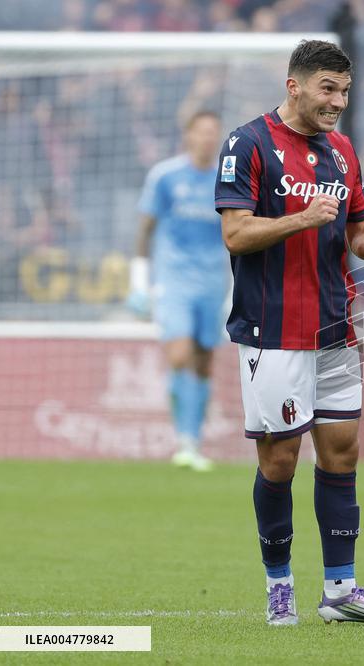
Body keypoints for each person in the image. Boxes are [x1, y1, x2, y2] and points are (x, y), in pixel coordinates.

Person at [214, 40, 364, 626]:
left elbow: (354, 238)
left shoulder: (343, 151)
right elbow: (235, 235)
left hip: (334, 326)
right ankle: (279, 587)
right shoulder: (247, 143)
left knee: (342, 451)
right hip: (272, 328)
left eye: (345, 91)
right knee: (279, 460)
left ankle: (341, 590)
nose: (339, 102)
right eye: (329, 89)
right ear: (295, 84)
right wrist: (302, 217)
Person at [129, 110, 228, 472]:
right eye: (201, 132)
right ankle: (182, 438)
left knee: (203, 362)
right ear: (188, 135)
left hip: (213, 282)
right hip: (174, 279)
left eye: (212, 132)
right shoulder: (165, 176)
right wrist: (139, 282)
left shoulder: (227, 179)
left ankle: (192, 440)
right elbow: (145, 229)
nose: (206, 138)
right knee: (178, 354)